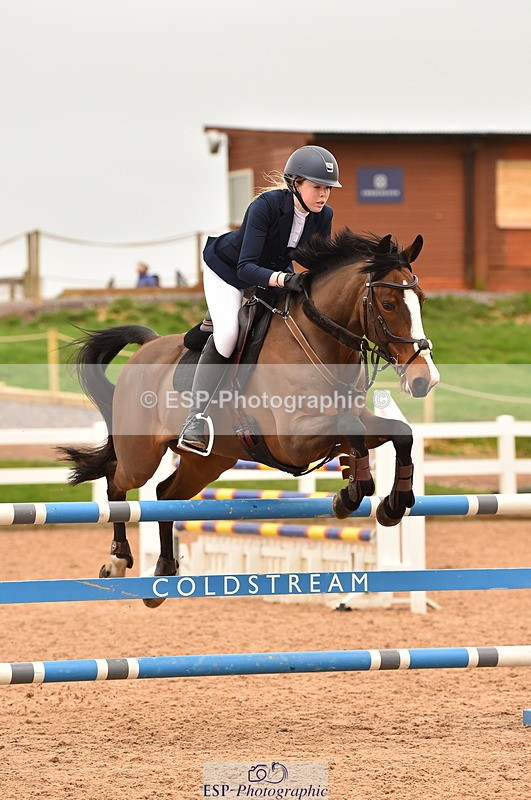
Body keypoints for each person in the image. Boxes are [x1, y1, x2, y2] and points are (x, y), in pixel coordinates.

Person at [177, 145, 342, 454]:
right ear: (296, 183)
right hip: (228, 270)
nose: (323, 195)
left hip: (273, 272)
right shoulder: (265, 206)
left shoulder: (324, 216)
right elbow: (246, 266)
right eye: (317, 187)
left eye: (328, 189)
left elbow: (321, 263)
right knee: (227, 335)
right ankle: (194, 419)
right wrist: (285, 278)